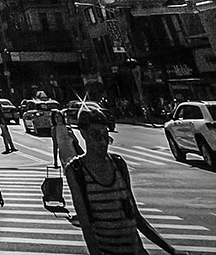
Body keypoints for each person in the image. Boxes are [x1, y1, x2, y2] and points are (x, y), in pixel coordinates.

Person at [65, 109, 179, 255]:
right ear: (84, 134)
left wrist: (171, 250)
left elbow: (134, 215)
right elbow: (86, 224)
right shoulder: (76, 170)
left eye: (106, 135)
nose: (102, 141)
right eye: (95, 135)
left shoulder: (118, 164)